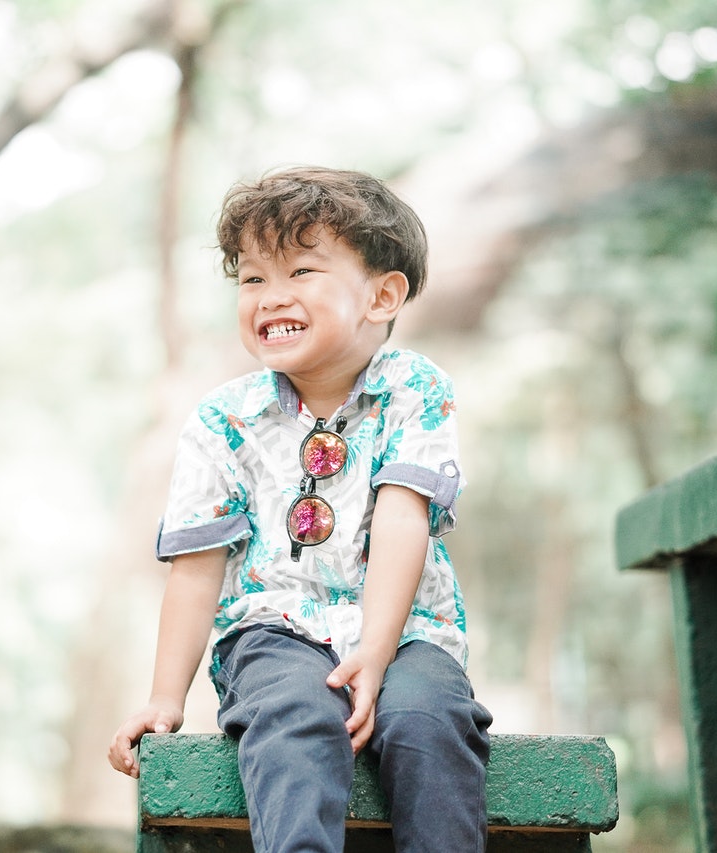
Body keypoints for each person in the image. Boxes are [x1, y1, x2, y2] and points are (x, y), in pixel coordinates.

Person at [107, 166, 492, 852]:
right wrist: (167, 697)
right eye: (253, 278)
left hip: (411, 633)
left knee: (427, 718)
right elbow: (196, 570)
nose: (270, 297)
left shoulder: (414, 389)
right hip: (273, 632)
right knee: (294, 714)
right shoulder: (224, 418)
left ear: (382, 295)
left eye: (301, 272)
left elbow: (403, 517)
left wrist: (376, 650)